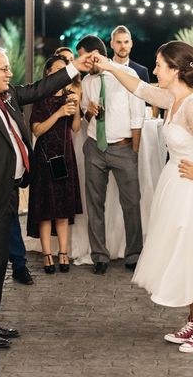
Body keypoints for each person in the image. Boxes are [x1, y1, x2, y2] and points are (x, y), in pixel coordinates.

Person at [93, 41, 193, 353]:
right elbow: (138, 88)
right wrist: (110, 66)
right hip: (178, 184)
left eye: (159, 65)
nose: (154, 70)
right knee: (183, 252)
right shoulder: (172, 97)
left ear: (176, 70)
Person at [0, 46, 91, 349]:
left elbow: (40, 88)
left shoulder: (5, 95)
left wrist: (74, 67)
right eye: (4, 69)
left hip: (8, 188)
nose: (10, 74)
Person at [78, 35, 145, 275]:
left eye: (84, 57)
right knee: (94, 203)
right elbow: (85, 114)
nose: (82, 62)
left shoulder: (126, 76)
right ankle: (99, 256)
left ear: (96, 54)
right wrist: (90, 112)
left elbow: (138, 118)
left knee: (131, 202)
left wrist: (134, 152)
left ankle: (134, 254)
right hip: (95, 146)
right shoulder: (87, 81)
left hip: (123, 147)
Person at [28, 55, 83, 274]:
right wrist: (59, 113)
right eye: (58, 70)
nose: (62, 74)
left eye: (65, 69)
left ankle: (63, 253)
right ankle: (47, 254)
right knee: (45, 208)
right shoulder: (41, 98)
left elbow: (76, 128)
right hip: (44, 156)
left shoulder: (70, 95)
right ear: (49, 73)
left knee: (62, 207)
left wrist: (76, 108)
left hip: (65, 154)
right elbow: (37, 130)